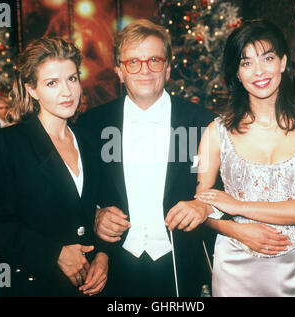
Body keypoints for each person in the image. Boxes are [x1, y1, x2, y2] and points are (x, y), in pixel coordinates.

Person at [194, 19, 295, 296]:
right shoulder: (215, 132)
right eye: (246, 63)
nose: (259, 71)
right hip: (236, 270)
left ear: (283, 62)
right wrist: (238, 231)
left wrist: (238, 206)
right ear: (236, 72)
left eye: (267, 58)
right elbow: (203, 207)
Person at [76, 19, 214, 297]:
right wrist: (95, 215)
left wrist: (204, 207)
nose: (145, 70)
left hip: (182, 263)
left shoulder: (204, 123)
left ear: (168, 67)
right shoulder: (91, 125)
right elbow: (75, 193)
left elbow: (225, 187)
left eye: (154, 60)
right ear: (119, 71)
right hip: (114, 264)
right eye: (133, 62)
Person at [0, 37, 108, 297]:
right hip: (35, 287)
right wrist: (54, 254)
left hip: (90, 287)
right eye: (52, 83)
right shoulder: (7, 143)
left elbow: (96, 210)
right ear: (32, 89)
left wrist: (103, 256)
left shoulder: (89, 140)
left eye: (72, 78)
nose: (67, 91)